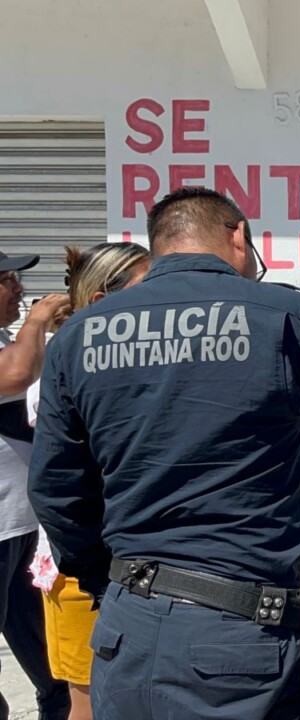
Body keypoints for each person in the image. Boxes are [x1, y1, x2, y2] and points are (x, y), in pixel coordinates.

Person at [26, 187, 300, 720]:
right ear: (237, 235)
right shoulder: (286, 314)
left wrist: (110, 583)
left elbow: (56, 489)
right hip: (239, 638)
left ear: (161, 245)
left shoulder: (77, 335)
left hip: (128, 629)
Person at [26, 242, 151, 720]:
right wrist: (93, 571)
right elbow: (58, 489)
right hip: (81, 569)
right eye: (148, 288)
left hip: (130, 564)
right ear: (103, 304)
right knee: (90, 701)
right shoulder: (67, 368)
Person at [0, 250, 72, 720]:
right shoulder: (16, 346)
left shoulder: (8, 338)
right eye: (9, 280)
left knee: (57, 671)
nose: (21, 290)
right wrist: (40, 319)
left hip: (22, 528)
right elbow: (16, 375)